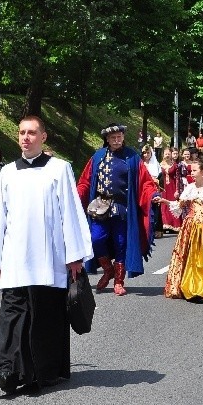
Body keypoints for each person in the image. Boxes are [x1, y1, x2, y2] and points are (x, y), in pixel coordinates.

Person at [0, 116, 93, 394]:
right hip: (16, 258)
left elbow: (71, 212)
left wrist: (75, 254)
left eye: (32, 133)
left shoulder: (59, 169)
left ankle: (43, 372)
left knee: (45, 316)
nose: (25, 138)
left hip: (48, 258)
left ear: (43, 137)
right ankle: (7, 370)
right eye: (21, 133)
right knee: (12, 312)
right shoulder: (8, 172)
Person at [76, 123, 160, 296]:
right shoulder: (97, 156)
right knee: (96, 238)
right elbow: (85, 182)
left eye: (119, 137)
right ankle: (108, 270)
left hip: (122, 207)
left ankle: (119, 281)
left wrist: (152, 195)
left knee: (121, 243)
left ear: (123, 137)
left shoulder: (132, 157)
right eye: (113, 137)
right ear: (107, 139)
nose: (116, 140)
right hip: (99, 207)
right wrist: (76, 195)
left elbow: (145, 182)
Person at [161, 159, 203, 303]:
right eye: (190, 171)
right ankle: (190, 289)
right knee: (190, 258)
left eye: (194, 171)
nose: (191, 173)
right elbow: (179, 205)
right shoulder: (190, 188)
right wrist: (165, 201)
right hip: (190, 226)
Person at [141, 144, 163, 239]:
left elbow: (160, 178)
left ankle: (156, 229)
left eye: (148, 153)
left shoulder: (155, 165)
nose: (146, 155)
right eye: (144, 153)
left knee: (155, 209)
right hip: (143, 190)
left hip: (153, 189)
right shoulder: (140, 164)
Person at [160, 148, 184, 233]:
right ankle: (166, 224)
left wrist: (177, 190)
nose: (167, 155)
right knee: (164, 206)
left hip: (172, 187)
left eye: (168, 154)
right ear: (163, 155)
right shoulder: (160, 165)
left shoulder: (174, 165)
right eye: (165, 154)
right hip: (163, 188)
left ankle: (175, 225)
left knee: (173, 205)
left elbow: (177, 178)